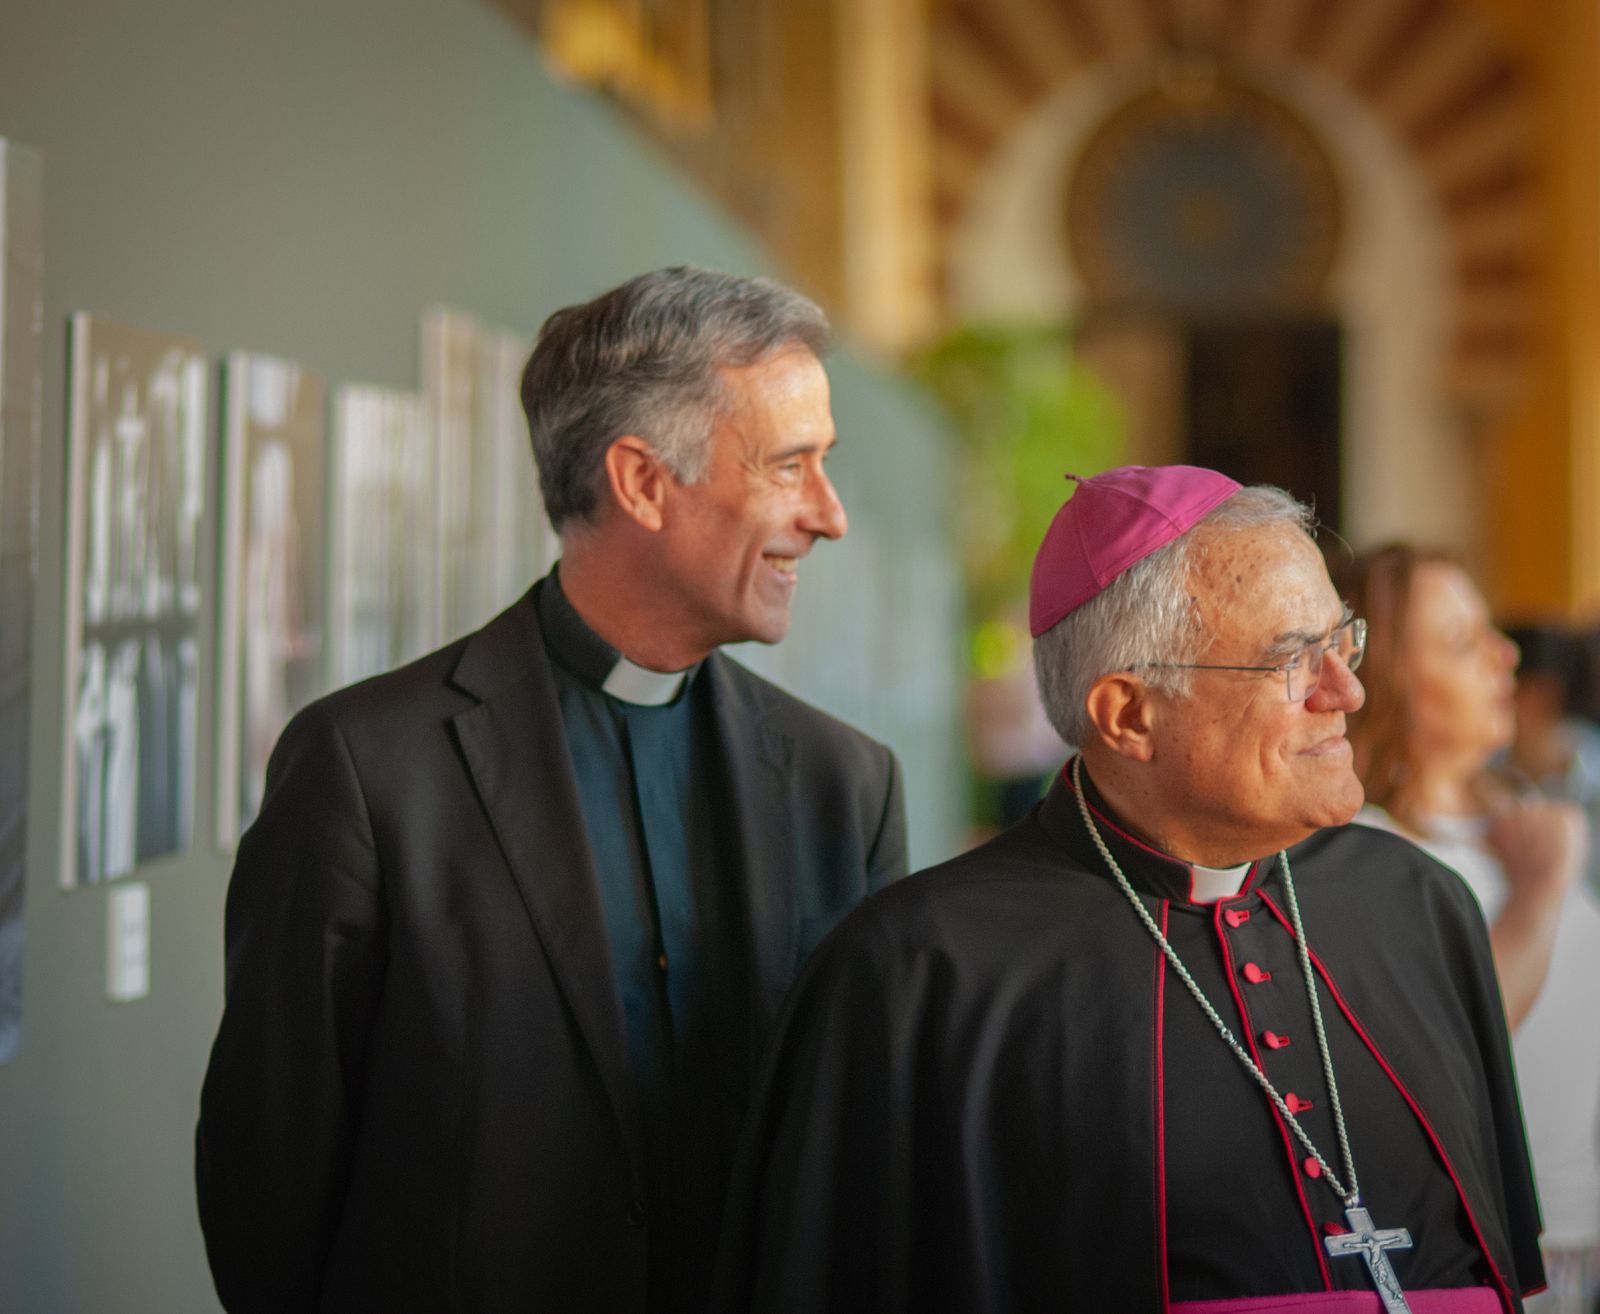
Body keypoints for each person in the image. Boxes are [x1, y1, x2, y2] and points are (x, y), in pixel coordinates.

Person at [195, 267, 908, 1313]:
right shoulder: (365, 769)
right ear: (642, 482)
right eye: (790, 465)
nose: (829, 515)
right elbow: (270, 1180)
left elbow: (866, 1155)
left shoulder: (848, 786)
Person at [715, 465, 1543, 1314]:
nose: (1348, 691)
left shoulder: (1423, 904)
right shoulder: (915, 975)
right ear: (1130, 715)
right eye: (1293, 660)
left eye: (1342, 641)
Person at [1336, 546, 1600, 1314]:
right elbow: (1439, 1043)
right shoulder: (1365, 849)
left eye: (1491, 631)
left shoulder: (1518, 815)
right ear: (1384, 678)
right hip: (1489, 1247)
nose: (1505, 655)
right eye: (1461, 642)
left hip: (1579, 1228)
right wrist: (1540, 894)